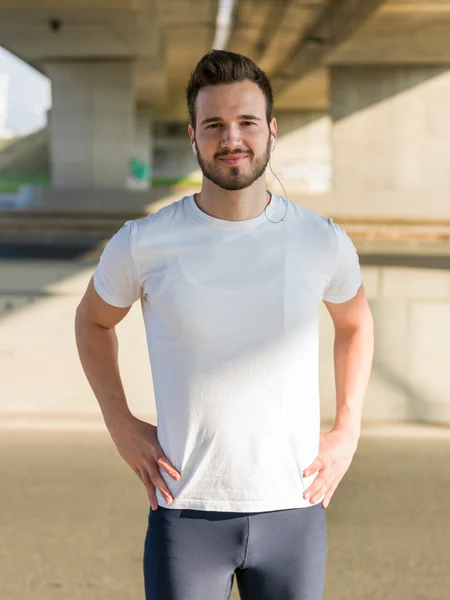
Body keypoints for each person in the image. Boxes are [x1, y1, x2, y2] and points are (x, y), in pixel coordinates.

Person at [75, 50, 374, 600]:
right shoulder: (143, 242)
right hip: (185, 512)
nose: (231, 137)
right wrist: (120, 421)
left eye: (246, 122)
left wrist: (347, 430)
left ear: (271, 131)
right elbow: (93, 322)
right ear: (193, 134)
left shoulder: (320, 238)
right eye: (214, 124)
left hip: (295, 510)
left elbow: (355, 324)